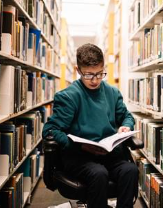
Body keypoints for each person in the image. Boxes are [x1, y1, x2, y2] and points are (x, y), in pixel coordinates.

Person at [42, 43, 138, 208]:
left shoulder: (112, 93)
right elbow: (50, 131)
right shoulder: (69, 96)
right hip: (80, 158)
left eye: (99, 74)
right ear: (78, 70)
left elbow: (127, 116)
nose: (95, 80)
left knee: (130, 170)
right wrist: (76, 146)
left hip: (110, 156)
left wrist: (126, 126)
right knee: (99, 174)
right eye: (88, 75)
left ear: (103, 68)